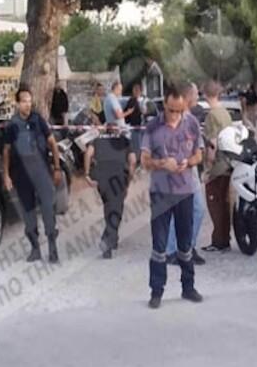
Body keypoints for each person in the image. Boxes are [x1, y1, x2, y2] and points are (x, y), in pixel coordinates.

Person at [142, 85, 205, 309]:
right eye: (171, 110)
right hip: (160, 193)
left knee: (185, 244)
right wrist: (162, 163)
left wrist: (189, 162)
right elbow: (144, 161)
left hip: (184, 192)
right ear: (164, 105)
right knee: (159, 245)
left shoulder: (192, 123)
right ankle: (156, 291)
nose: (176, 115)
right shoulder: (152, 126)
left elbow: (199, 154)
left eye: (180, 110)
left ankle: (188, 287)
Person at [4, 86, 64, 264]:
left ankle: (52, 248)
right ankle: (35, 248)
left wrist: (57, 168)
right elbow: (6, 151)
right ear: (17, 103)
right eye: (24, 101)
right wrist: (6, 175)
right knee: (28, 213)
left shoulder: (38, 120)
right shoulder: (12, 125)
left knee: (48, 210)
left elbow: (52, 143)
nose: (28, 105)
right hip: (22, 175)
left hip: (41, 172)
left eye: (30, 101)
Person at [165, 82, 207, 266]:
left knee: (196, 210)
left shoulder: (192, 121)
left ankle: (187, 247)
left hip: (191, 171)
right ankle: (172, 250)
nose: (198, 97)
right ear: (188, 96)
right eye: (196, 94)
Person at [85, 127, 137, 259]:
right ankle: (107, 241)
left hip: (101, 176)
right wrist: (129, 179)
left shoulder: (97, 140)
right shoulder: (124, 140)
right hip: (118, 176)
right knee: (116, 210)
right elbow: (133, 161)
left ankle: (113, 238)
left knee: (109, 207)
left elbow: (88, 154)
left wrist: (87, 174)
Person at [202, 80, 233, 252]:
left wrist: (208, 167)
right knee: (224, 202)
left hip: (218, 164)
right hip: (228, 162)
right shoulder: (225, 113)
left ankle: (218, 241)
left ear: (206, 94)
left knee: (214, 202)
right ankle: (225, 238)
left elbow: (212, 142)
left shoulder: (212, 115)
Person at [125, 82, 146, 156]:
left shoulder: (144, 100)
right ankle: (138, 158)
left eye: (137, 90)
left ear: (140, 91)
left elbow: (147, 112)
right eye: (135, 90)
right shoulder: (131, 101)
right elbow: (127, 112)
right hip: (134, 126)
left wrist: (144, 112)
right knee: (137, 144)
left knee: (142, 144)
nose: (136, 92)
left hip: (143, 126)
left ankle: (141, 158)